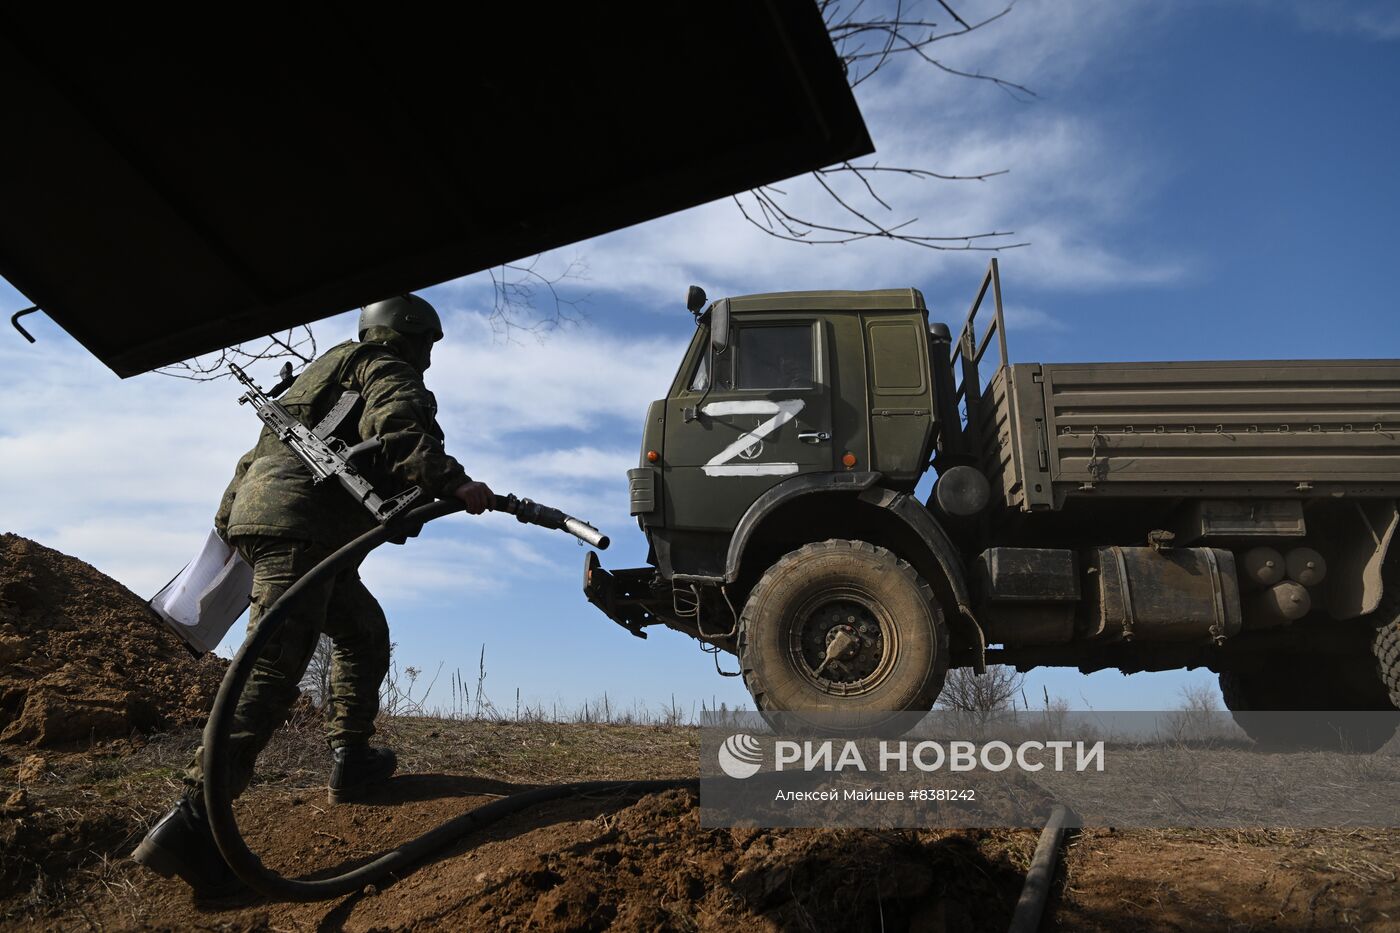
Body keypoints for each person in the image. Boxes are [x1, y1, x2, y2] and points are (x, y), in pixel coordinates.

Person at [132, 294, 493, 897]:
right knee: (271, 669)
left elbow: (257, 460)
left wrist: (236, 529)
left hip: (274, 522)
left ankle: (351, 759)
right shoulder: (383, 365)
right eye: (427, 343)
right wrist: (454, 482)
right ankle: (195, 824)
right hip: (303, 529)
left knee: (362, 630)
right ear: (408, 334)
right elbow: (399, 426)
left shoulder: (321, 373)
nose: (428, 356)